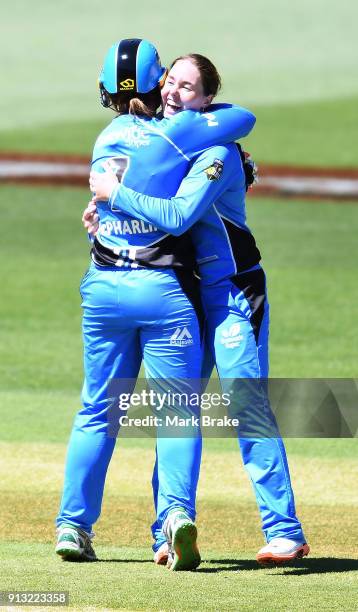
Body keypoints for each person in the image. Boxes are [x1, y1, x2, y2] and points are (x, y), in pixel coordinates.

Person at [87, 52, 310, 567]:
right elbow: (134, 193)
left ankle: (284, 531)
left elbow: (181, 214)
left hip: (233, 294)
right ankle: (166, 532)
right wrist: (101, 209)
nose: (174, 92)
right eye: (171, 82)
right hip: (185, 295)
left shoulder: (217, 152)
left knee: (246, 406)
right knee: (176, 412)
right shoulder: (164, 143)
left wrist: (116, 194)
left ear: (207, 99)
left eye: (188, 87)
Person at [56, 39, 257, 571]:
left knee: (96, 411)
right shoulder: (178, 137)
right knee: (177, 413)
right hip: (163, 293)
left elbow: (102, 206)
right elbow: (238, 120)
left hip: (102, 288)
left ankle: (72, 527)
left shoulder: (106, 138)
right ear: (159, 81)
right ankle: (172, 520)